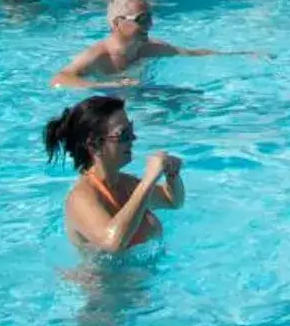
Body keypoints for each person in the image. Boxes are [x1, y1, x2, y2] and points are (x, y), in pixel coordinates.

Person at [43, 95, 184, 253]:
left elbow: (172, 201)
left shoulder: (125, 184)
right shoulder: (80, 198)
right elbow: (112, 243)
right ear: (93, 144)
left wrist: (172, 175)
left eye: (131, 130)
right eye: (123, 134)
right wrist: (149, 179)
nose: (133, 138)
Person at [50, 0, 222, 89]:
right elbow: (59, 79)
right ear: (118, 23)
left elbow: (192, 53)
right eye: (141, 19)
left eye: (149, 18)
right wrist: (109, 86)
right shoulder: (98, 55)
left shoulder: (149, 48)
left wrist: (239, 54)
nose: (149, 25)